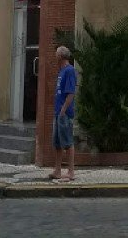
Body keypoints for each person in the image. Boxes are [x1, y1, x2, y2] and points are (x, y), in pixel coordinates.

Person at [49, 45, 76, 182]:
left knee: (68, 142)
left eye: (56, 53)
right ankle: (58, 170)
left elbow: (71, 93)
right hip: (58, 112)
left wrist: (63, 110)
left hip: (64, 113)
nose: (55, 56)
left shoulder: (69, 71)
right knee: (58, 143)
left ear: (60, 56)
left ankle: (71, 172)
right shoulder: (61, 71)